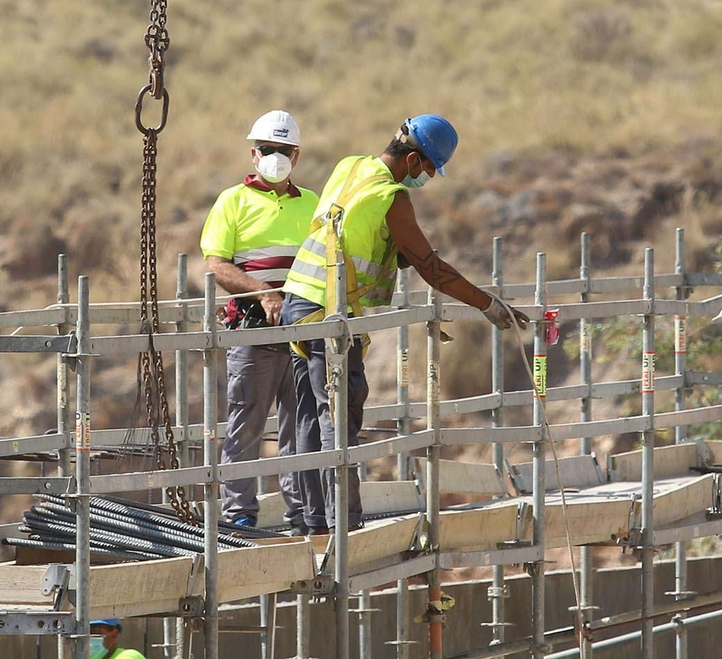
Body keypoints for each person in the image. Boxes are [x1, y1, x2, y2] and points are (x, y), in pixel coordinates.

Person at [279, 114, 528, 534]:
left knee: (310, 415)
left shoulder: (349, 166)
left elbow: (353, 232)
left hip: (297, 299)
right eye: (429, 168)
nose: (428, 177)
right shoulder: (392, 197)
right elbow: (431, 268)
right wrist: (488, 304)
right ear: (412, 159)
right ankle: (343, 525)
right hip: (330, 311)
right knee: (337, 418)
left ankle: (314, 521)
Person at [200, 110, 319, 531]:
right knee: (245, 426)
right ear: (253, 154)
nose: (275, 157)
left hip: (303, 332)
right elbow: (216, 265)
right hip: (254, 329)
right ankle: (240, 515)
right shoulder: (233, 201)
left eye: (283, 151)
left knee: (300, 427)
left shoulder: (313, 204)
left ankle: (301, 513)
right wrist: (262, 291)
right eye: (268, 150)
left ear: (297, 155)